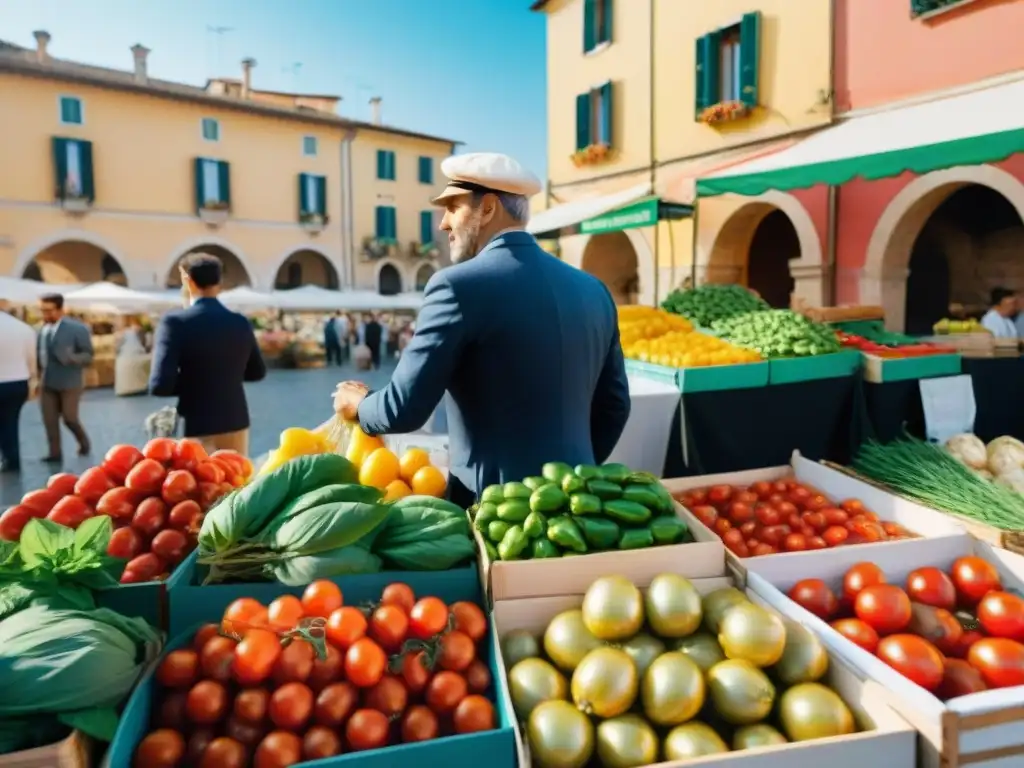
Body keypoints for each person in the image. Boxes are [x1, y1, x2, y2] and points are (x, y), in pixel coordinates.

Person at [333, 152, 631, 508]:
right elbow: (614, 406)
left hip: (496, 505)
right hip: (579, 502)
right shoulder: (594, 290)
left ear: (488, 208)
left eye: (453, 208)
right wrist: (570, 478)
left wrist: (359, 404)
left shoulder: (455, 286)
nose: (443, 224)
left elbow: (404, 408)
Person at [149, 253, 267, 455]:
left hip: (197, 421)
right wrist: (224, 376)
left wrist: (198, 381)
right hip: (235, 419)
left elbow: (160, 384)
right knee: (237, 483)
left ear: (188, 281)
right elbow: (257, 372)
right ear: (219, 282)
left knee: (202, 484)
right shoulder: (239, 322)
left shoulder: (175, 322)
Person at [37, 293, 93, 462]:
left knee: (70, 418)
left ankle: (84, 443)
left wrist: (72, 358)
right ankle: (54, 453)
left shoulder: (77, 329)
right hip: (46, 382)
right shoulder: (40, 330)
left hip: (70, 382)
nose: (45, 314)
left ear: (60, 310)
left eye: (49, 310)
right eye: (42, 310)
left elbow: (88, 356)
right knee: (49, 420)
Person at [0, 309, 37, 472]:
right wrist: (32, 378)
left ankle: (8, 457)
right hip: (18, 381)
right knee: (11, 422)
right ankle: (12, 458)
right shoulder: (23, 327)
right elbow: (32, 358)